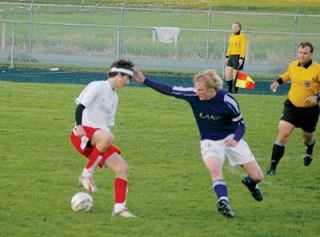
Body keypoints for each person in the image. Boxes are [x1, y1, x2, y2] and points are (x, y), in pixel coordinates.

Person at [133, 68, 264, 219]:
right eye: (196, 88)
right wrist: (144, 80)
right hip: (209, 141)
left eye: (200, 89)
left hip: (230, 137)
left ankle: (250, 183)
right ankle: (223, 202)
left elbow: (241, 124)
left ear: (211, 89)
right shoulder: (194, 95)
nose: (197, 92)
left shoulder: (227, 100)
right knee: (215, 170)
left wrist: (235, 139)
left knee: (258, 176)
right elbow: (169, 90)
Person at [70, 59, 136, 218]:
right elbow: (80, 106)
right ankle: (86, 173)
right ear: (119, 74)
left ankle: (120, 208)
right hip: (83, 134)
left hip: (99, 138)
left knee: (122, 168)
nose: (127, 83)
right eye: (127, 78)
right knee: (108, 136)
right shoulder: (97, 85)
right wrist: (79, 125)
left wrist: (101, 153)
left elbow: (105, 125)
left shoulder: (115, 97)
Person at [266, 42, 320, 175]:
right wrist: (277, 82)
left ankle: (310, 147)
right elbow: (288, 75)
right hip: (292, 107)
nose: (302, 55)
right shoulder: (293, 65)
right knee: (283, 135)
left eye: (305, 53)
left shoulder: (317, 69)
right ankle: (272, 168)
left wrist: (317, 98)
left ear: (311, 54)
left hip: (310, 111)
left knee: (307, 140)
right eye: (300, 52)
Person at [225, 21, 247, 94]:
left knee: (236, 75)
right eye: (232, 27)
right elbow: (230, 47)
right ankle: (230, 90)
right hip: (231, 57)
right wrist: (227, 56)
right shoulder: (231, 36)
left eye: (235, 27)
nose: (233, 28)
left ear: (239, 28)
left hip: (238, 57)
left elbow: (243, 48)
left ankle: (235, 91)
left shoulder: (242, 36)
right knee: (228, 75)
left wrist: (241, 58)